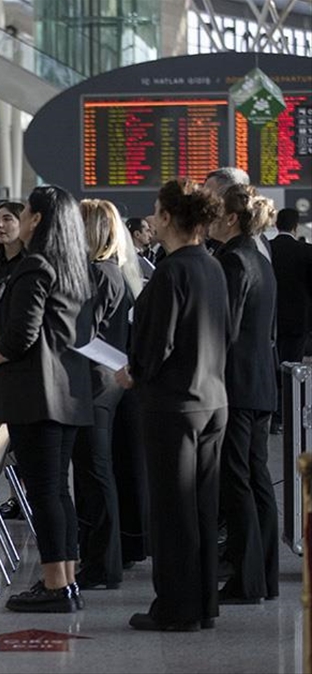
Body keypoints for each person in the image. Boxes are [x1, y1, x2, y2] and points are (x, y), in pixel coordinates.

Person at [115, 177, 229, 631]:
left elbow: (155, 343)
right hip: (212, 399)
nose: (150, 219)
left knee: (171, 510)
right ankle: (204, 604)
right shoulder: (212, 266)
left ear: (167, 217)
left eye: (155, 211)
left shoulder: (170, 271)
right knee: (201, 507)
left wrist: (132, 373)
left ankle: (175, 609)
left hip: (174, 405)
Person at [0, 184, 93, 613]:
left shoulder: (34, 267)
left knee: (44, 493)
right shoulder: (74, 267)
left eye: (22, 212)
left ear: (37, 220)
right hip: (68, 393)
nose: (18, 219)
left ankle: (54, 586)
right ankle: (66, 581)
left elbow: (22, 334)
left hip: (35, 395)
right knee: (58, 491)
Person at [210, 184, 280, 604]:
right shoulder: (259, 258)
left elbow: (225, 329)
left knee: (236, 481)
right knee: (257, 481)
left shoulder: (233, 260)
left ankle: (246, 580)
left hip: (236, 385)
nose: (210, 220)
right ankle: (264, 577)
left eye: (216, 213)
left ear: (231, 219)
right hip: (259, 383)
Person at [72, 199, 133, 591]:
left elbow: (81, 334)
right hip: (104, 381)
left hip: (93, 383)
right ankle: (103, 559)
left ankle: (101, 564)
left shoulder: (98, 274)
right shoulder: (115, 271)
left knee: (95, 475)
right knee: (97, 473)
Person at [270, 207, 312, 432]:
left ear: (277, 225)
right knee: (293, 366)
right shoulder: (306, 252)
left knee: (274, 365)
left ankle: (274, 416)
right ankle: (289, 414)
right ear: (296, 227)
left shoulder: (268, 250)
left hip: (273, 319)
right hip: (298, 320)